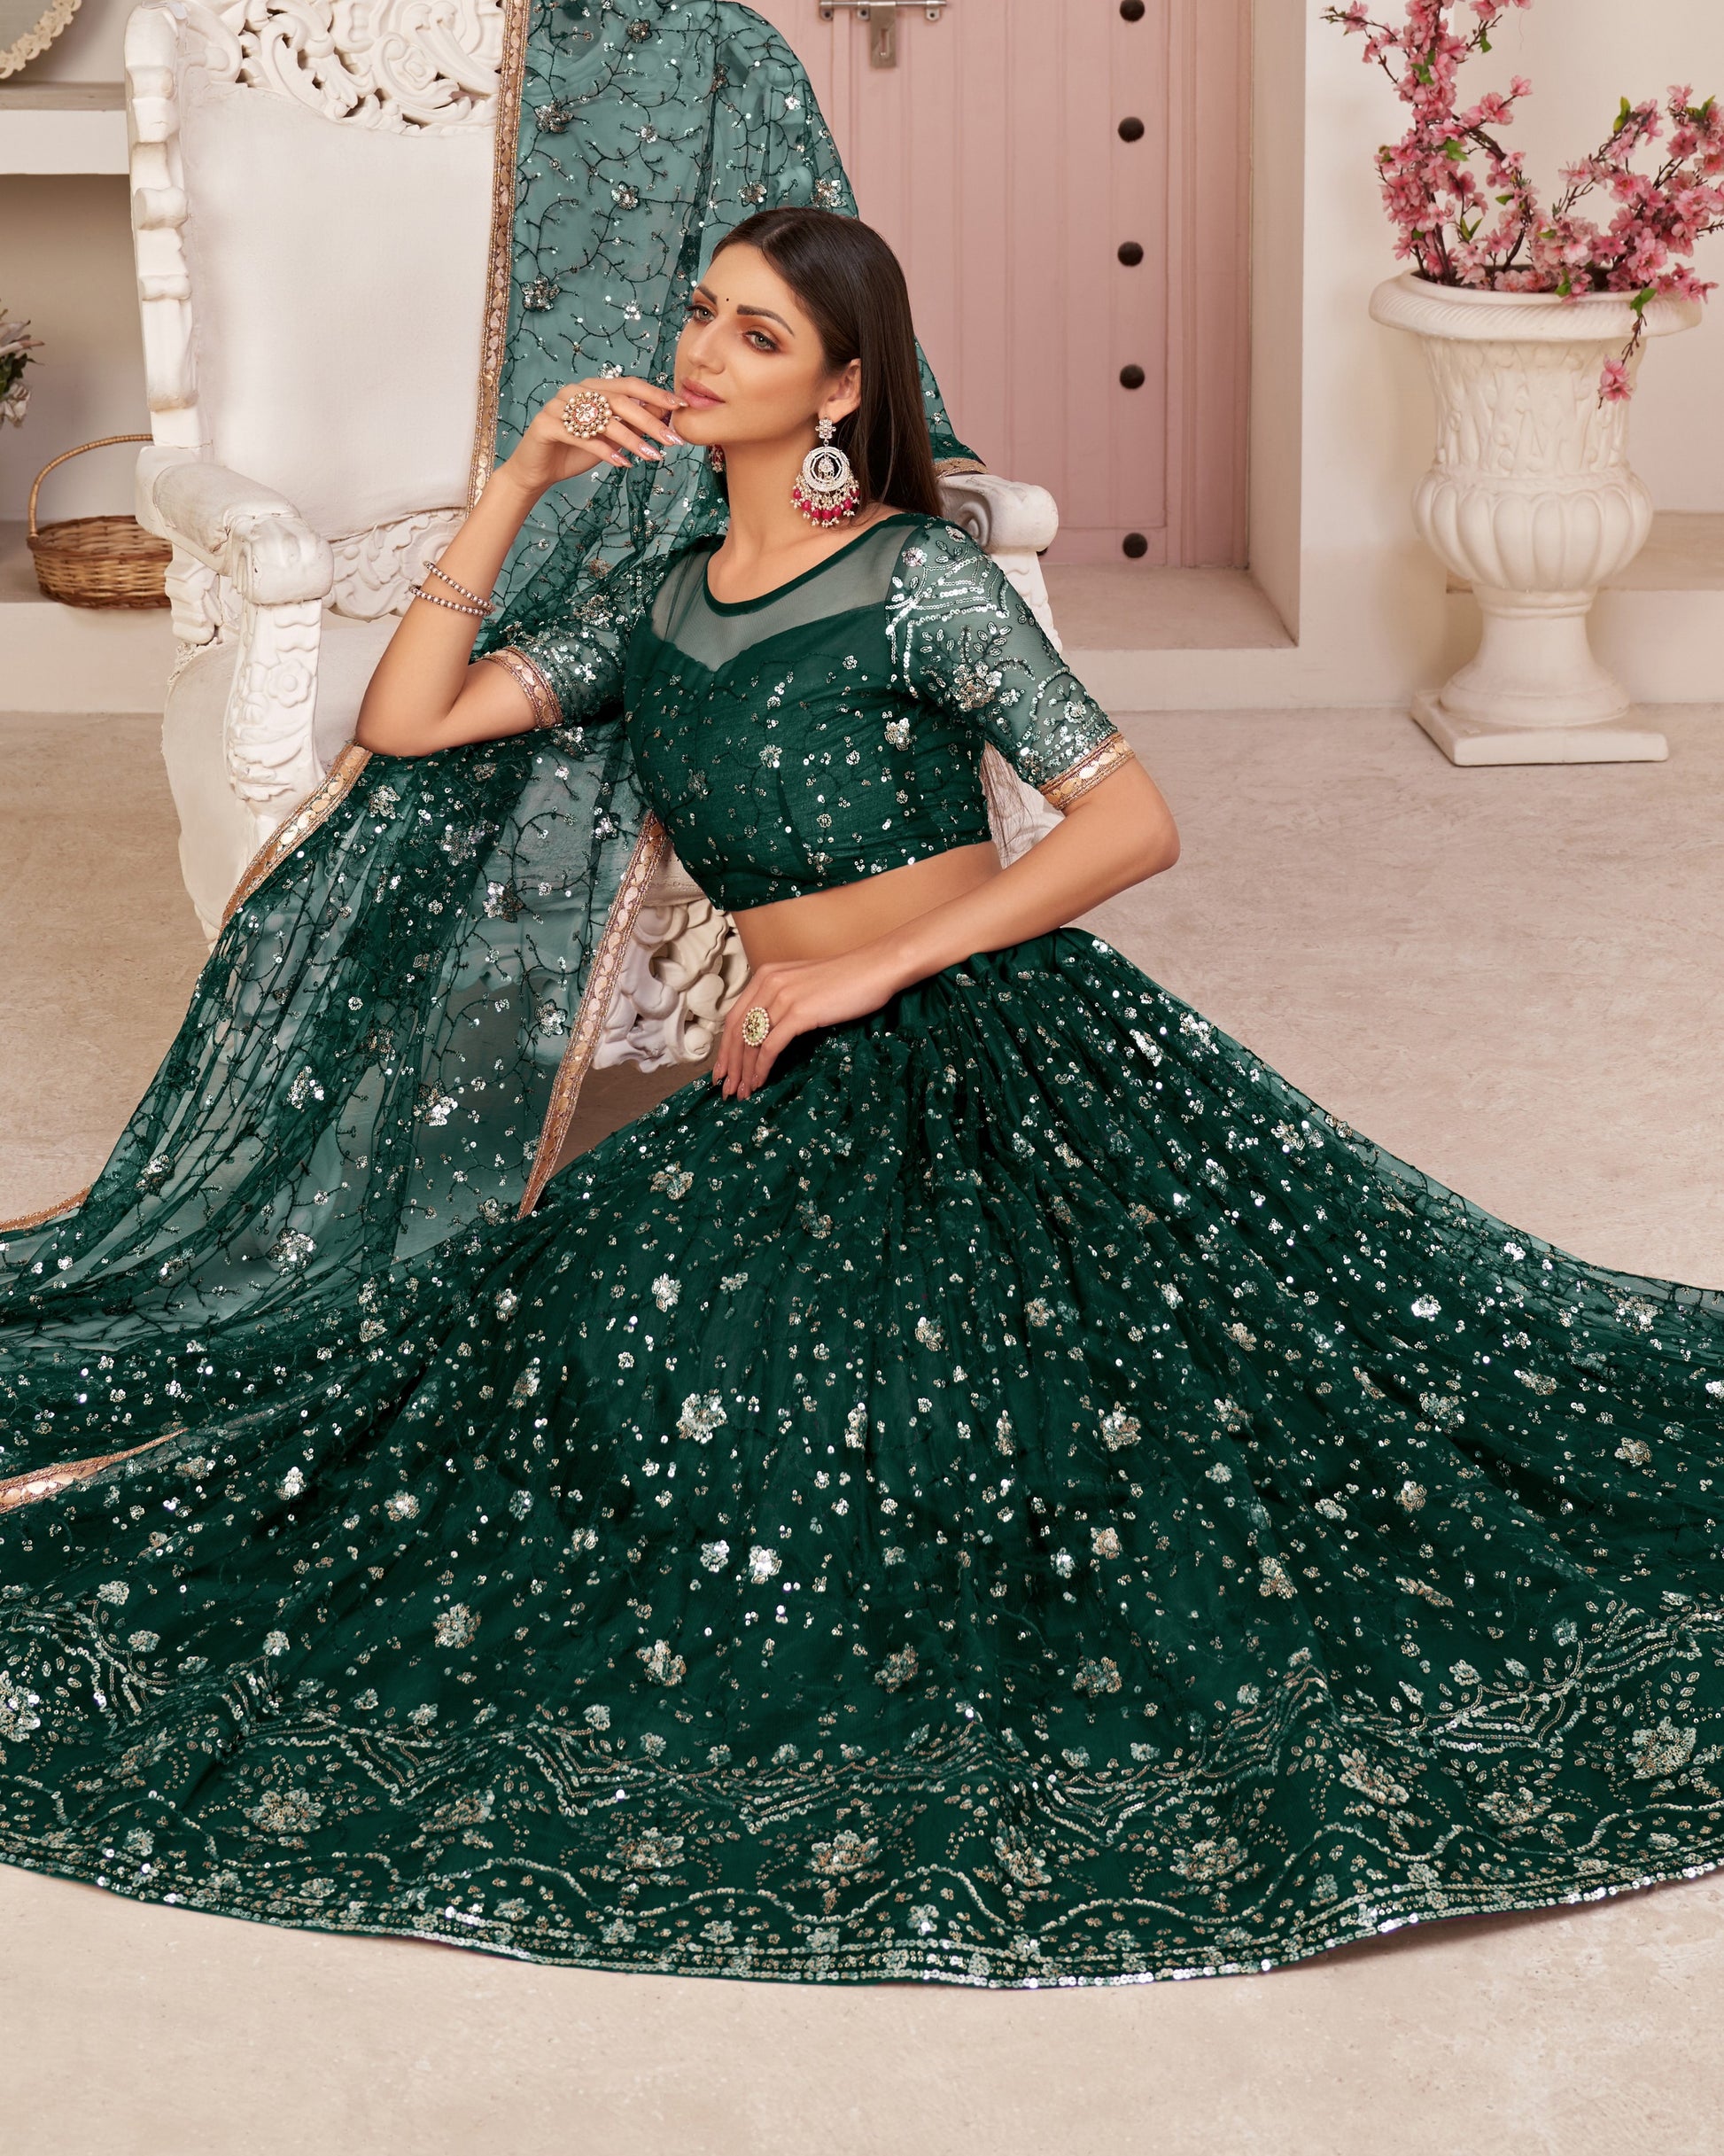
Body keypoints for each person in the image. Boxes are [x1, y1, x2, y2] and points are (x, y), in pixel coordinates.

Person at [4, 198, 1723, 1990]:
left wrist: (865, 966)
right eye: (700, 314)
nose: (699, 350)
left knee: (1156, 1409)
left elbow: (1131, 822)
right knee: (543, 1366)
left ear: (840, 387)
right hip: (785, 1076)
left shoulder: (919, 577)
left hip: (992, 1034)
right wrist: (513, 480)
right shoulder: (654, 606)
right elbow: (409, 724)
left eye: (755, 333)